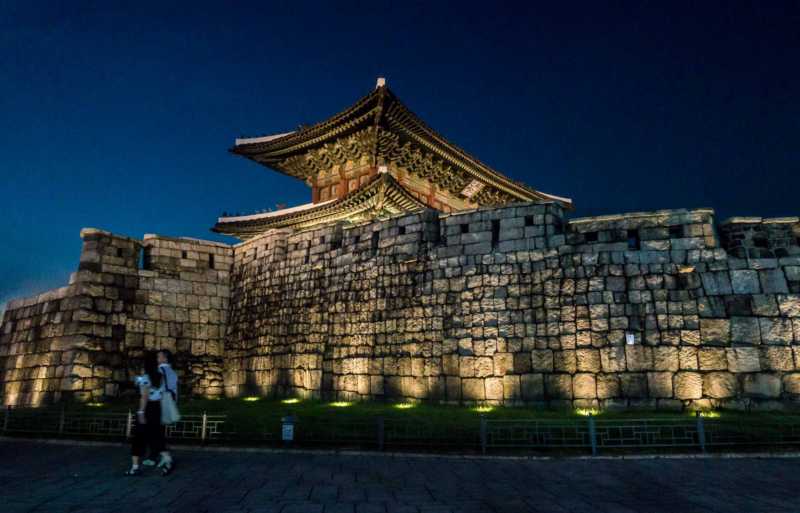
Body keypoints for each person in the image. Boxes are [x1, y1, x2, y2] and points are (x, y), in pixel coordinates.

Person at [125, 351, 173, 476]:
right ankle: (167, 460)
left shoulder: (146, 377)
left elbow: (144, 396)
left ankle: (135, 467)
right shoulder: (160, 376)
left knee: (138, 437)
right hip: (157, 407)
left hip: (147, 408)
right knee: (156, 435)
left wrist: (141, 412)